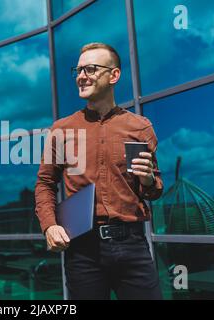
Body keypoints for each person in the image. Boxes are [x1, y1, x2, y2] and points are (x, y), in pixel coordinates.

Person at [35, 43, 164, 300]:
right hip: (83, 251)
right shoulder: (62, 129)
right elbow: (45, 184)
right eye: (78, 70)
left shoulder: (140, 127)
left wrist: (149, 179)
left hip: (133, 248)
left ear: (114, 76)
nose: (81, 76)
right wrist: (49, 226)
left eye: (90, 69)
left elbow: (155, 189)